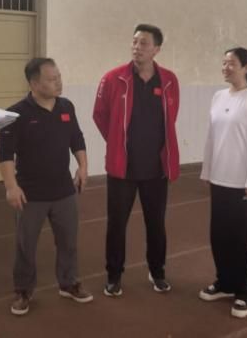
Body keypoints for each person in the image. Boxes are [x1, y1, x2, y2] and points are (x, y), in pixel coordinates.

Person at [0, 58, 92, 316]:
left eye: (59, 77)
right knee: (26, 245)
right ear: (34, 83)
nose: (58, 82)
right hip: (30, 194)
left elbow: (77, 138)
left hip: (64, 191)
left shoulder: (66, 106)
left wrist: (83, 167)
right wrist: (11, 186)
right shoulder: (14, 114)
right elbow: (4, 153)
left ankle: (69, 283)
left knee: (68, 242)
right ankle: (23, 291)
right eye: (52, 79)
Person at [93, 24, 180, 297]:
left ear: (156, 49)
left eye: (143, 43)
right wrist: (117, 142)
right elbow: (100, 115)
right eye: (134, 42)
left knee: (156, 224)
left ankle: (157, 272)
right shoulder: (113, 78)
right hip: (123, 168)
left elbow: (171, 116)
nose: (137, 47)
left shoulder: (168, 80)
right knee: (116, 224)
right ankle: (114, 275)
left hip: (156, 168)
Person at [199, 47, 247, 319]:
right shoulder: (218, 97)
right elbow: (211, 136)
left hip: (244, 185)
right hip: (220, 180)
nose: (226, 67)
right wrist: (207, 170)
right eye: (224, 63)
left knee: (243, 241)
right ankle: (225, 283)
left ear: (246, 67)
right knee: (219, 236)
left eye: (232, 63)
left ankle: (246, 290)